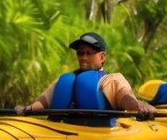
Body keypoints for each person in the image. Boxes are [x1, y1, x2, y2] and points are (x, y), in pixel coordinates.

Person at [16, 32, 157, 124]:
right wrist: (28, 109)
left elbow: (125, 97)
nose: (83, 57)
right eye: (80, 53)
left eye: (89, 53)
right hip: (64, 132)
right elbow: (45, 102)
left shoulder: (112, 80)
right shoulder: (66, 80)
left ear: (102, 57)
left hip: (102, 135)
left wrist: (139, 105)